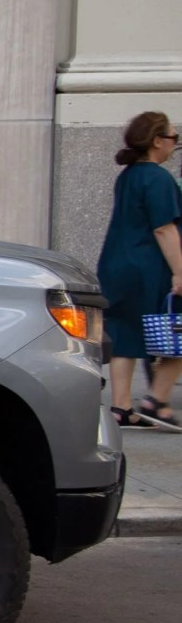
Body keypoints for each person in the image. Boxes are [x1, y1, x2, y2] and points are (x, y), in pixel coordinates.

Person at [96, 110, 182, 428]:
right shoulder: (159, 179)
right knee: (176, 327)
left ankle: (121, 407)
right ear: (158, 141)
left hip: (116, 264)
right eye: (174, 137)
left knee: (124, 335)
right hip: (147, 268)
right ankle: (157, 400)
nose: (176, 144)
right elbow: (164, 229)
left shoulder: (128, 175)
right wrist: (180, 272)